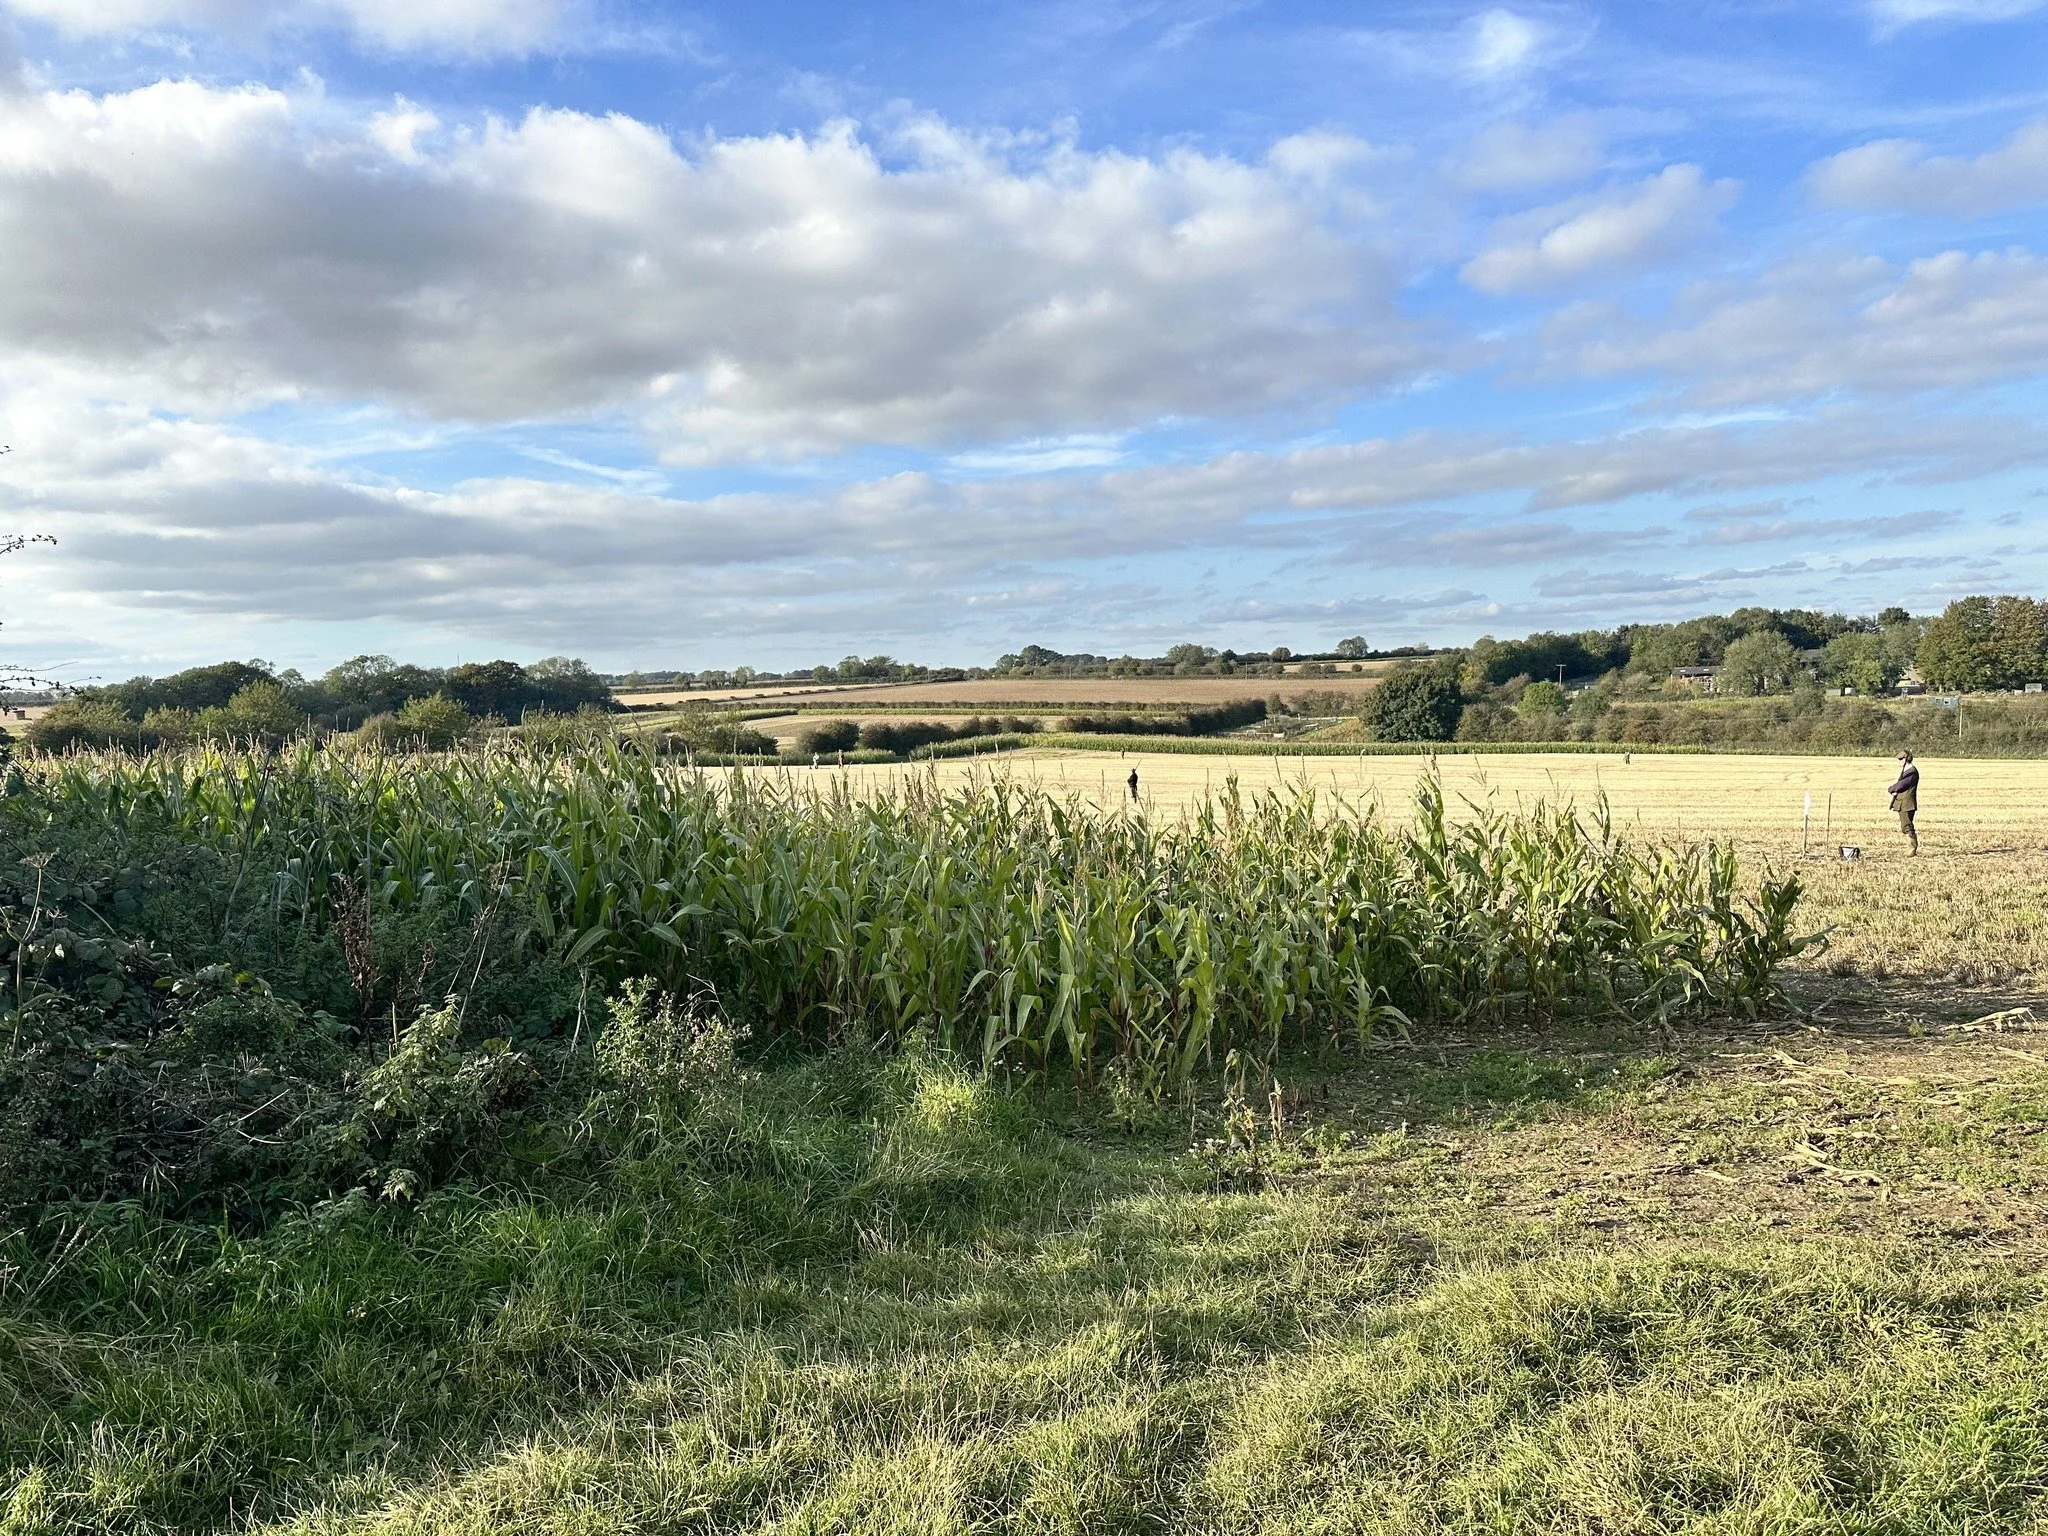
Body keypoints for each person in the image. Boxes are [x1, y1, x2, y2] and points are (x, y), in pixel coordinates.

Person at [1887, 750, 1920, 856]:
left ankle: (1912, 849)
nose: (1899, 761)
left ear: (1907, 759)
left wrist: (1891, 788)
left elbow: (1901, 785)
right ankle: (1911, 849)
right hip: (1903, 802)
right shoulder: (1907, 770)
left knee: (1907, 826)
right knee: (1906, 826)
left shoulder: (1911, 771)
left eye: (1901, 759)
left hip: (1906, 803)